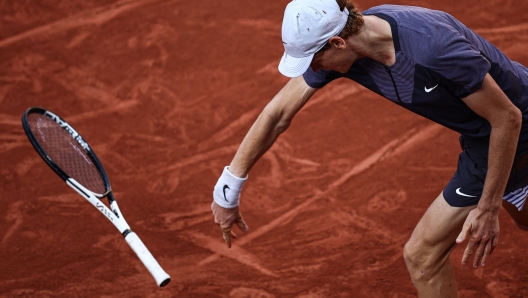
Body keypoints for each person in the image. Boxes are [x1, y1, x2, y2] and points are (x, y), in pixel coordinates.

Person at [210, 0, 528, 296]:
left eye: (316, 60)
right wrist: (228, 188)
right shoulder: (358, 37)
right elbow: (278, 113)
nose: (316, 70)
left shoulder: (432, 50)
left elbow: (507, 118)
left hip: (509, 132)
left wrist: (487, 207)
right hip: (489, 132)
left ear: (337, 42)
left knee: (422, 257)